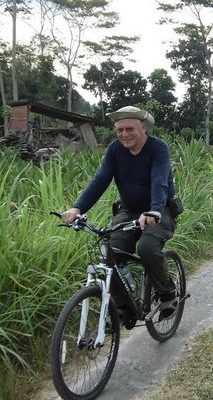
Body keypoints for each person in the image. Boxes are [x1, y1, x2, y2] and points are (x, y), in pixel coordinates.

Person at [61, 105, 178, 318]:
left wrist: (154, 211)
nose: (124, 135)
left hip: (160, 211)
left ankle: (167, 291)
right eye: (119, 130)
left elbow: (159, 181)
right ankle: (123, 308)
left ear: (143, 127)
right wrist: (77, 208)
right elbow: (100, 180)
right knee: (109, 251)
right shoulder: (115, 149)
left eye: (129, 129)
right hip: (129, 211)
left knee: (147, 247)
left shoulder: (158, 148)